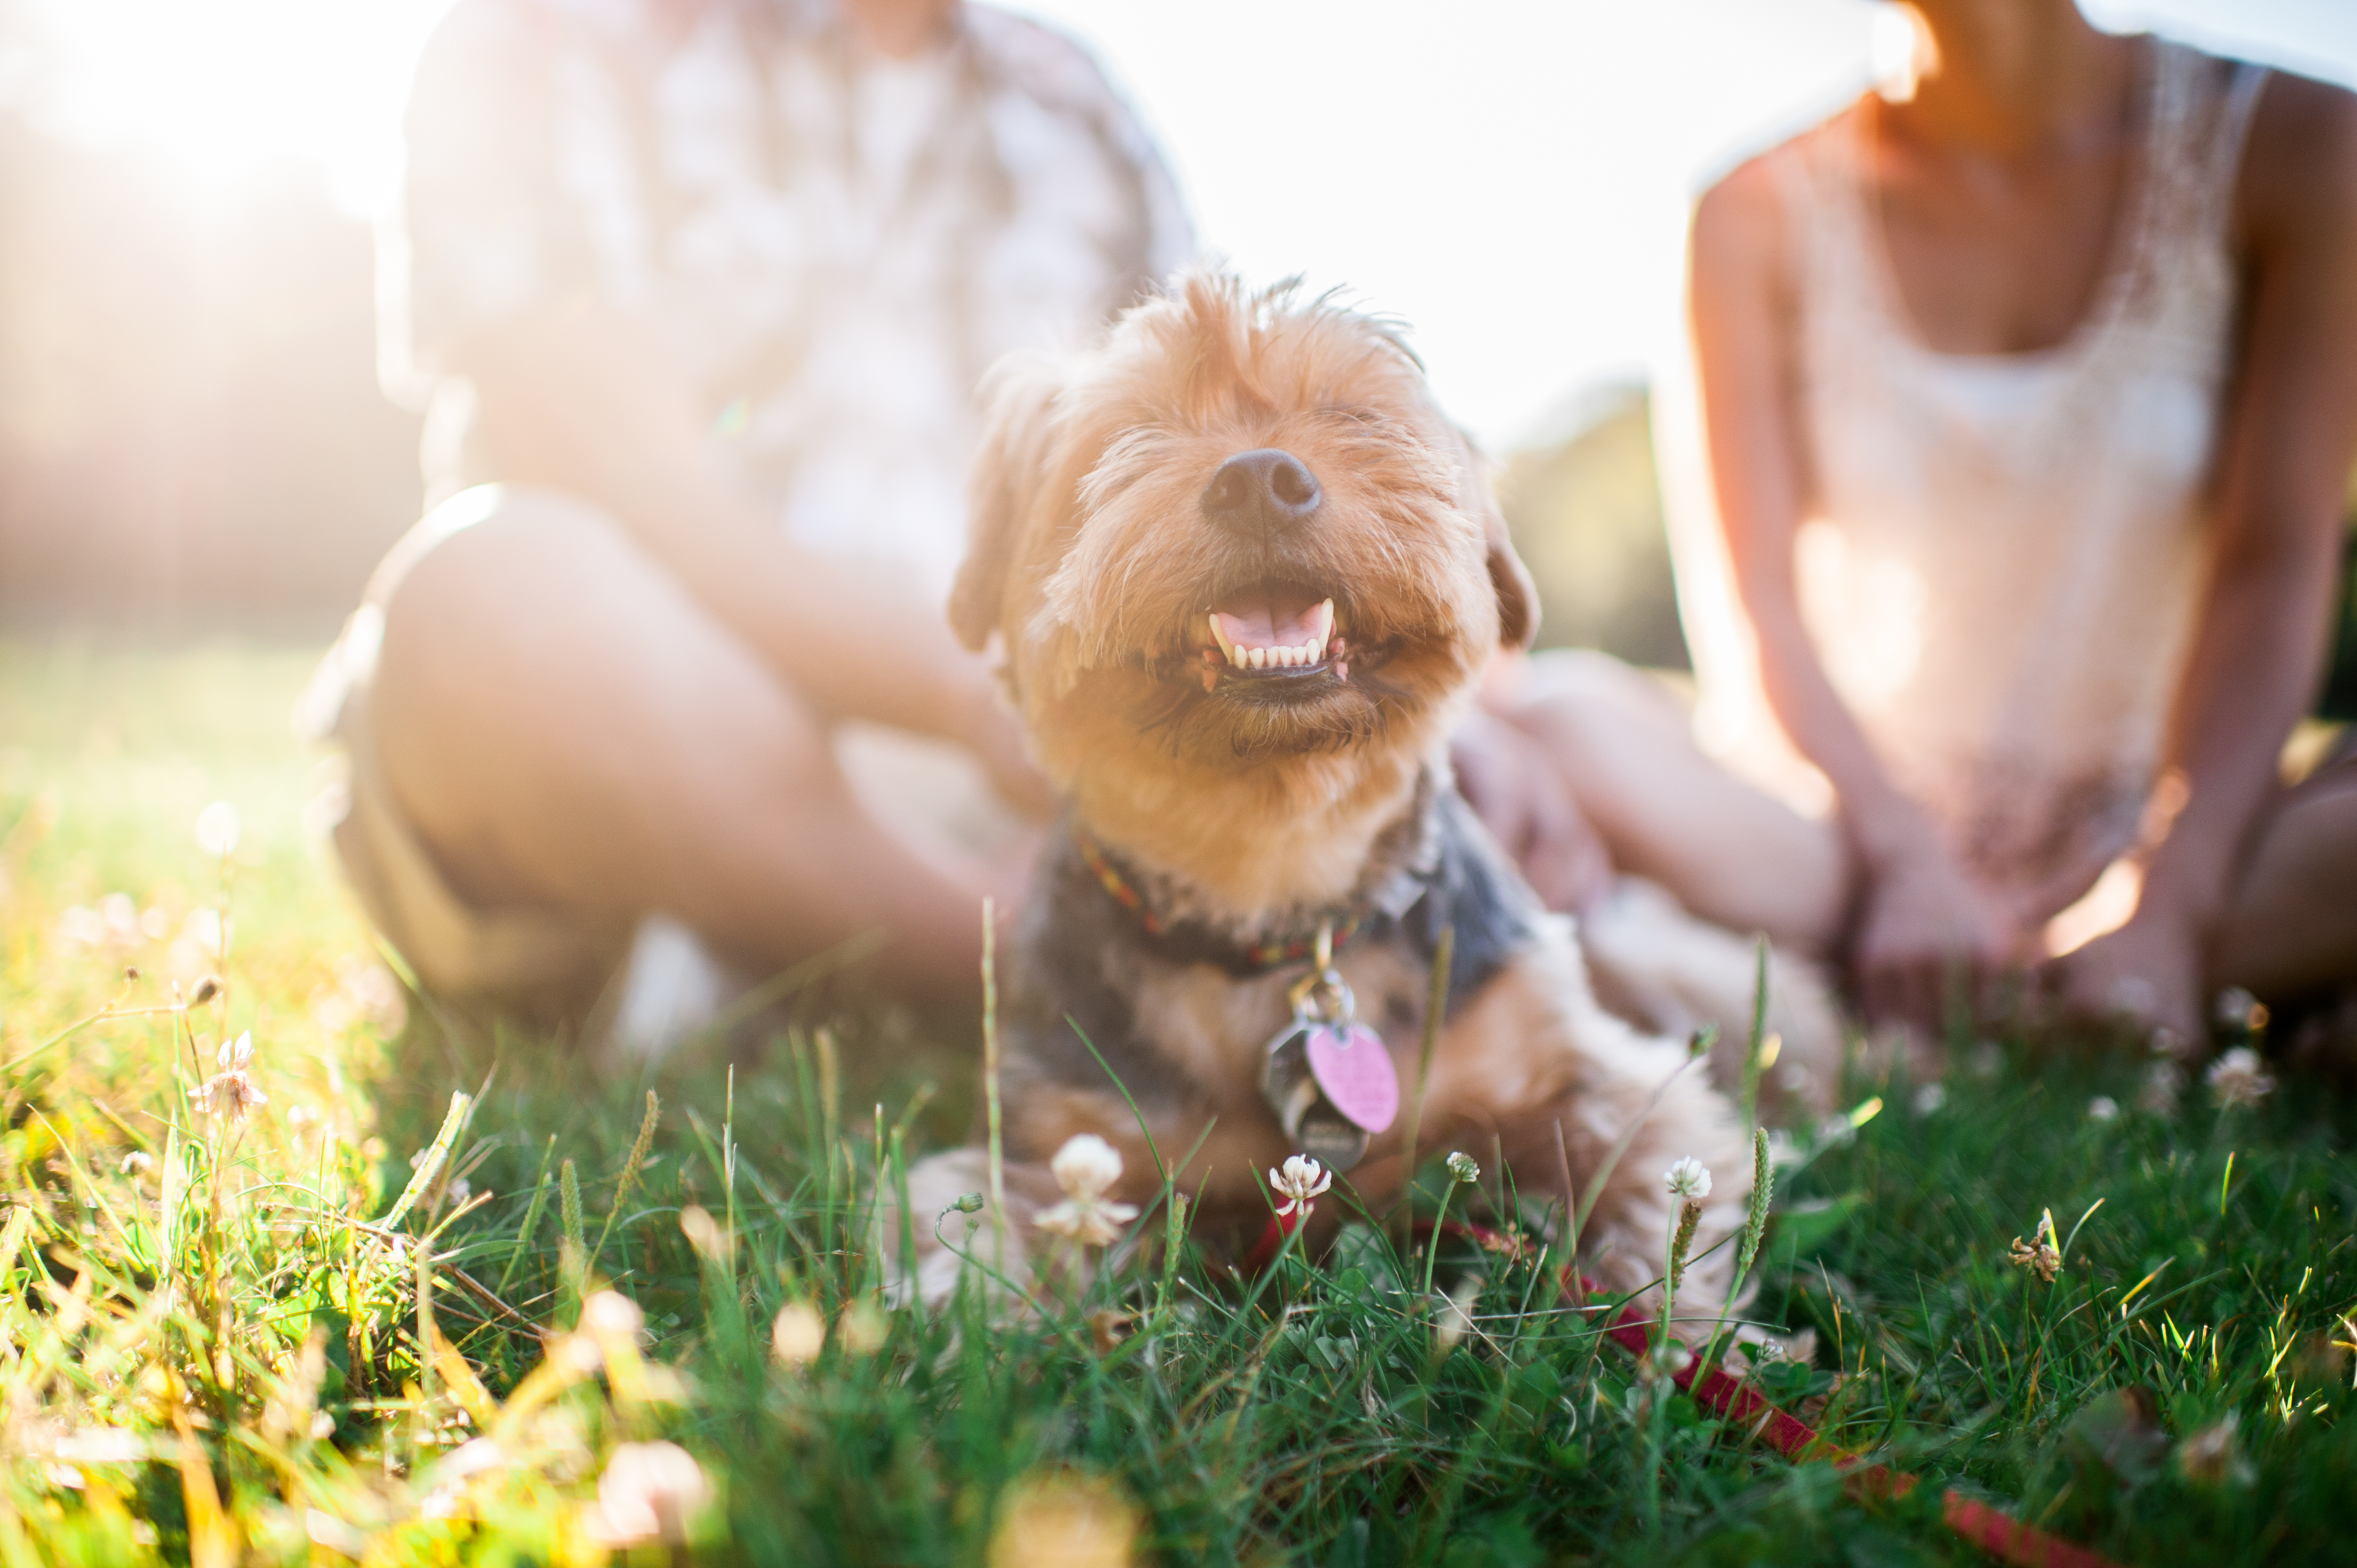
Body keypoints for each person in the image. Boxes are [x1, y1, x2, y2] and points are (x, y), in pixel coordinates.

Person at [301, 0, 1190, 1041]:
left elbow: (1184, 468)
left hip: (1008, 768)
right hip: (655, 713)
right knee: (481, 609)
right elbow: (623, 478)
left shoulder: (1077, 108)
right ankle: (1032, 957)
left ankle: (879, 946)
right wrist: (973, 695)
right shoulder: (543, 38)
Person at [1483, 0, 2357, 1051]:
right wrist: (1903, 859)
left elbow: (2277, 562)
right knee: (1539, 726)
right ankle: (2165, 987)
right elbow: (1753, 607)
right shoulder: (1749, 207)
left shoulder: (2300, 141)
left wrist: (2172, 894)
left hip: (2163, 821)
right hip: (1831, 849)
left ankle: (2098, 963)